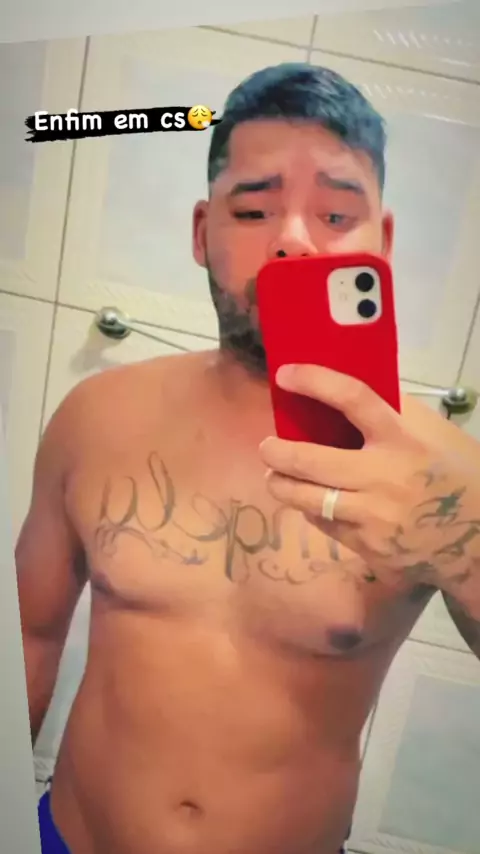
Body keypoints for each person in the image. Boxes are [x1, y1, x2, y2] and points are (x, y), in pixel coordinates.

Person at [15, 62, 480, 854]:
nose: (293, 239)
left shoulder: (439, 474)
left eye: (337, 214)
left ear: (382, 242)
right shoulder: (96, 418)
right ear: (203, 233)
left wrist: (465, 546)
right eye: (255, 209)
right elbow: (29, 634)